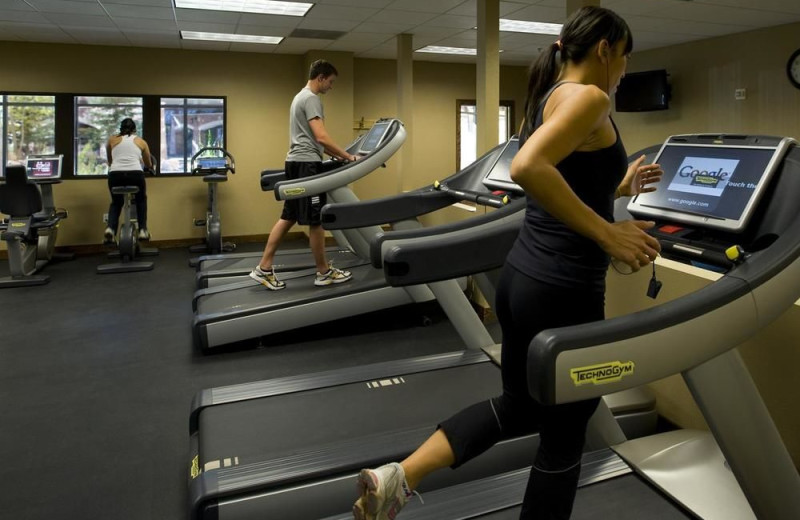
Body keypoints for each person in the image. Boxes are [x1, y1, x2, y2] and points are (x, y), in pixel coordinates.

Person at [352, 6, 663, 520]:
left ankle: (400, 476)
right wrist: (608, 233)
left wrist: (619, 183)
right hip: (564, 290)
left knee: (520, 407)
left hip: (523, 281)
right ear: (606, 49)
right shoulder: (590, 97)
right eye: (626, 58)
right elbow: (527, 167)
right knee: (563, 440)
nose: (626, 70)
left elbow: (563, 176)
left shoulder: (549, 96)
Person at [250, 59, 358, 290]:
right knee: (316, 221)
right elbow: (321, 137)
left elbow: (315, 140)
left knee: (288, 215)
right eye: (330, 81)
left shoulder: (299, 96)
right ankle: (323, 272)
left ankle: (264, 268)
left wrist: (337, 154)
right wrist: (348, 157)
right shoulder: (311, 99)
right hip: (307, 165)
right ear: (321, 77)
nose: (331, 86)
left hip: (296, 163)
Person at [104, 117, 152, 243]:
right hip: (135, 174)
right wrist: (144, 164)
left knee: (116, 202)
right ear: (135, 129)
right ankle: (143, 230)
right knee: (141, 199)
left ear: (121, 128)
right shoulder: (141, 142)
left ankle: (110, 228)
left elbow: (110, 161)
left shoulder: (112, 140)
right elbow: (148, 164)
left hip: (115, 175)